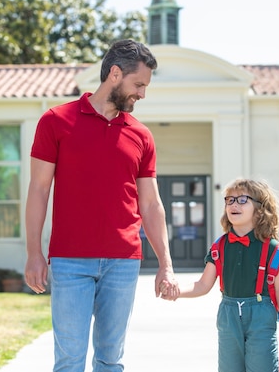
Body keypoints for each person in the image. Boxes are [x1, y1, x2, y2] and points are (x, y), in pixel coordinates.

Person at [24, 39, 179, 372]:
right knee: (69, 361)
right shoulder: (55, 121)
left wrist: (165, 263)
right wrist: (34, 252)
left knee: (111, 360)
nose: (142, 93)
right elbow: (38, 190)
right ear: (114, 73)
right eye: (138, 84)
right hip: (69, 261)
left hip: (122, 263)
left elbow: (151, 205)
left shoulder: (141, 136)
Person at [166, 178, 279, 372]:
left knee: (262, 367)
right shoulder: (220, 246)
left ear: (260, 209)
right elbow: (203, 285)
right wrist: (177, 291)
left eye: (242, 199)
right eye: (230, 200)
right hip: (228, 315)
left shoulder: (272, 249)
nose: (234, 204)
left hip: (261, 315)